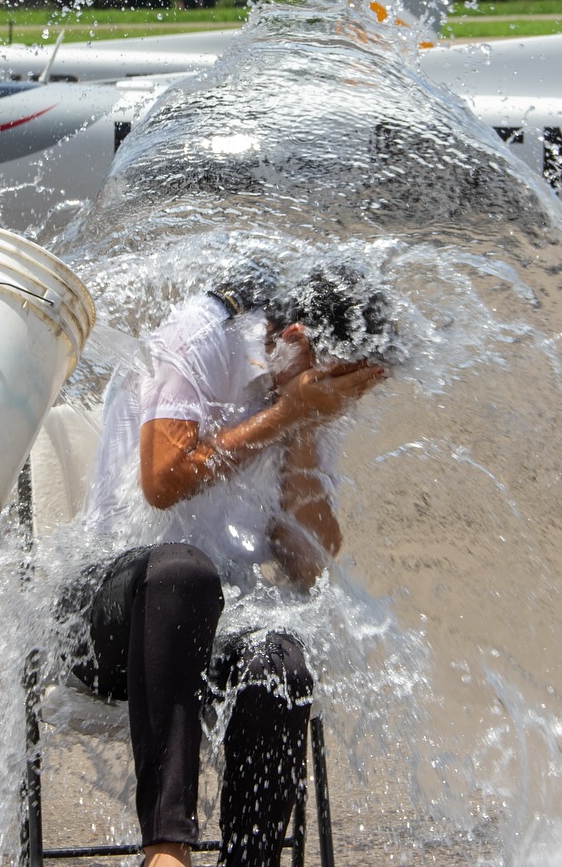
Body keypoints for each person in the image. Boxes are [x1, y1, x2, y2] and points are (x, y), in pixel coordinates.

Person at [64, 262, 395, 867]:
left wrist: (305, 427)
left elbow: (307, 564)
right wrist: (287, 414)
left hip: (209, 628)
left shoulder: (308, 391)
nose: (342, 400)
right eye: (339, 382)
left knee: (280, 660)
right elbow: (163, 482)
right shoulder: (201, 334)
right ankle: (166, 851)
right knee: (186, 571)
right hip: (113, 618)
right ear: (295, 338)